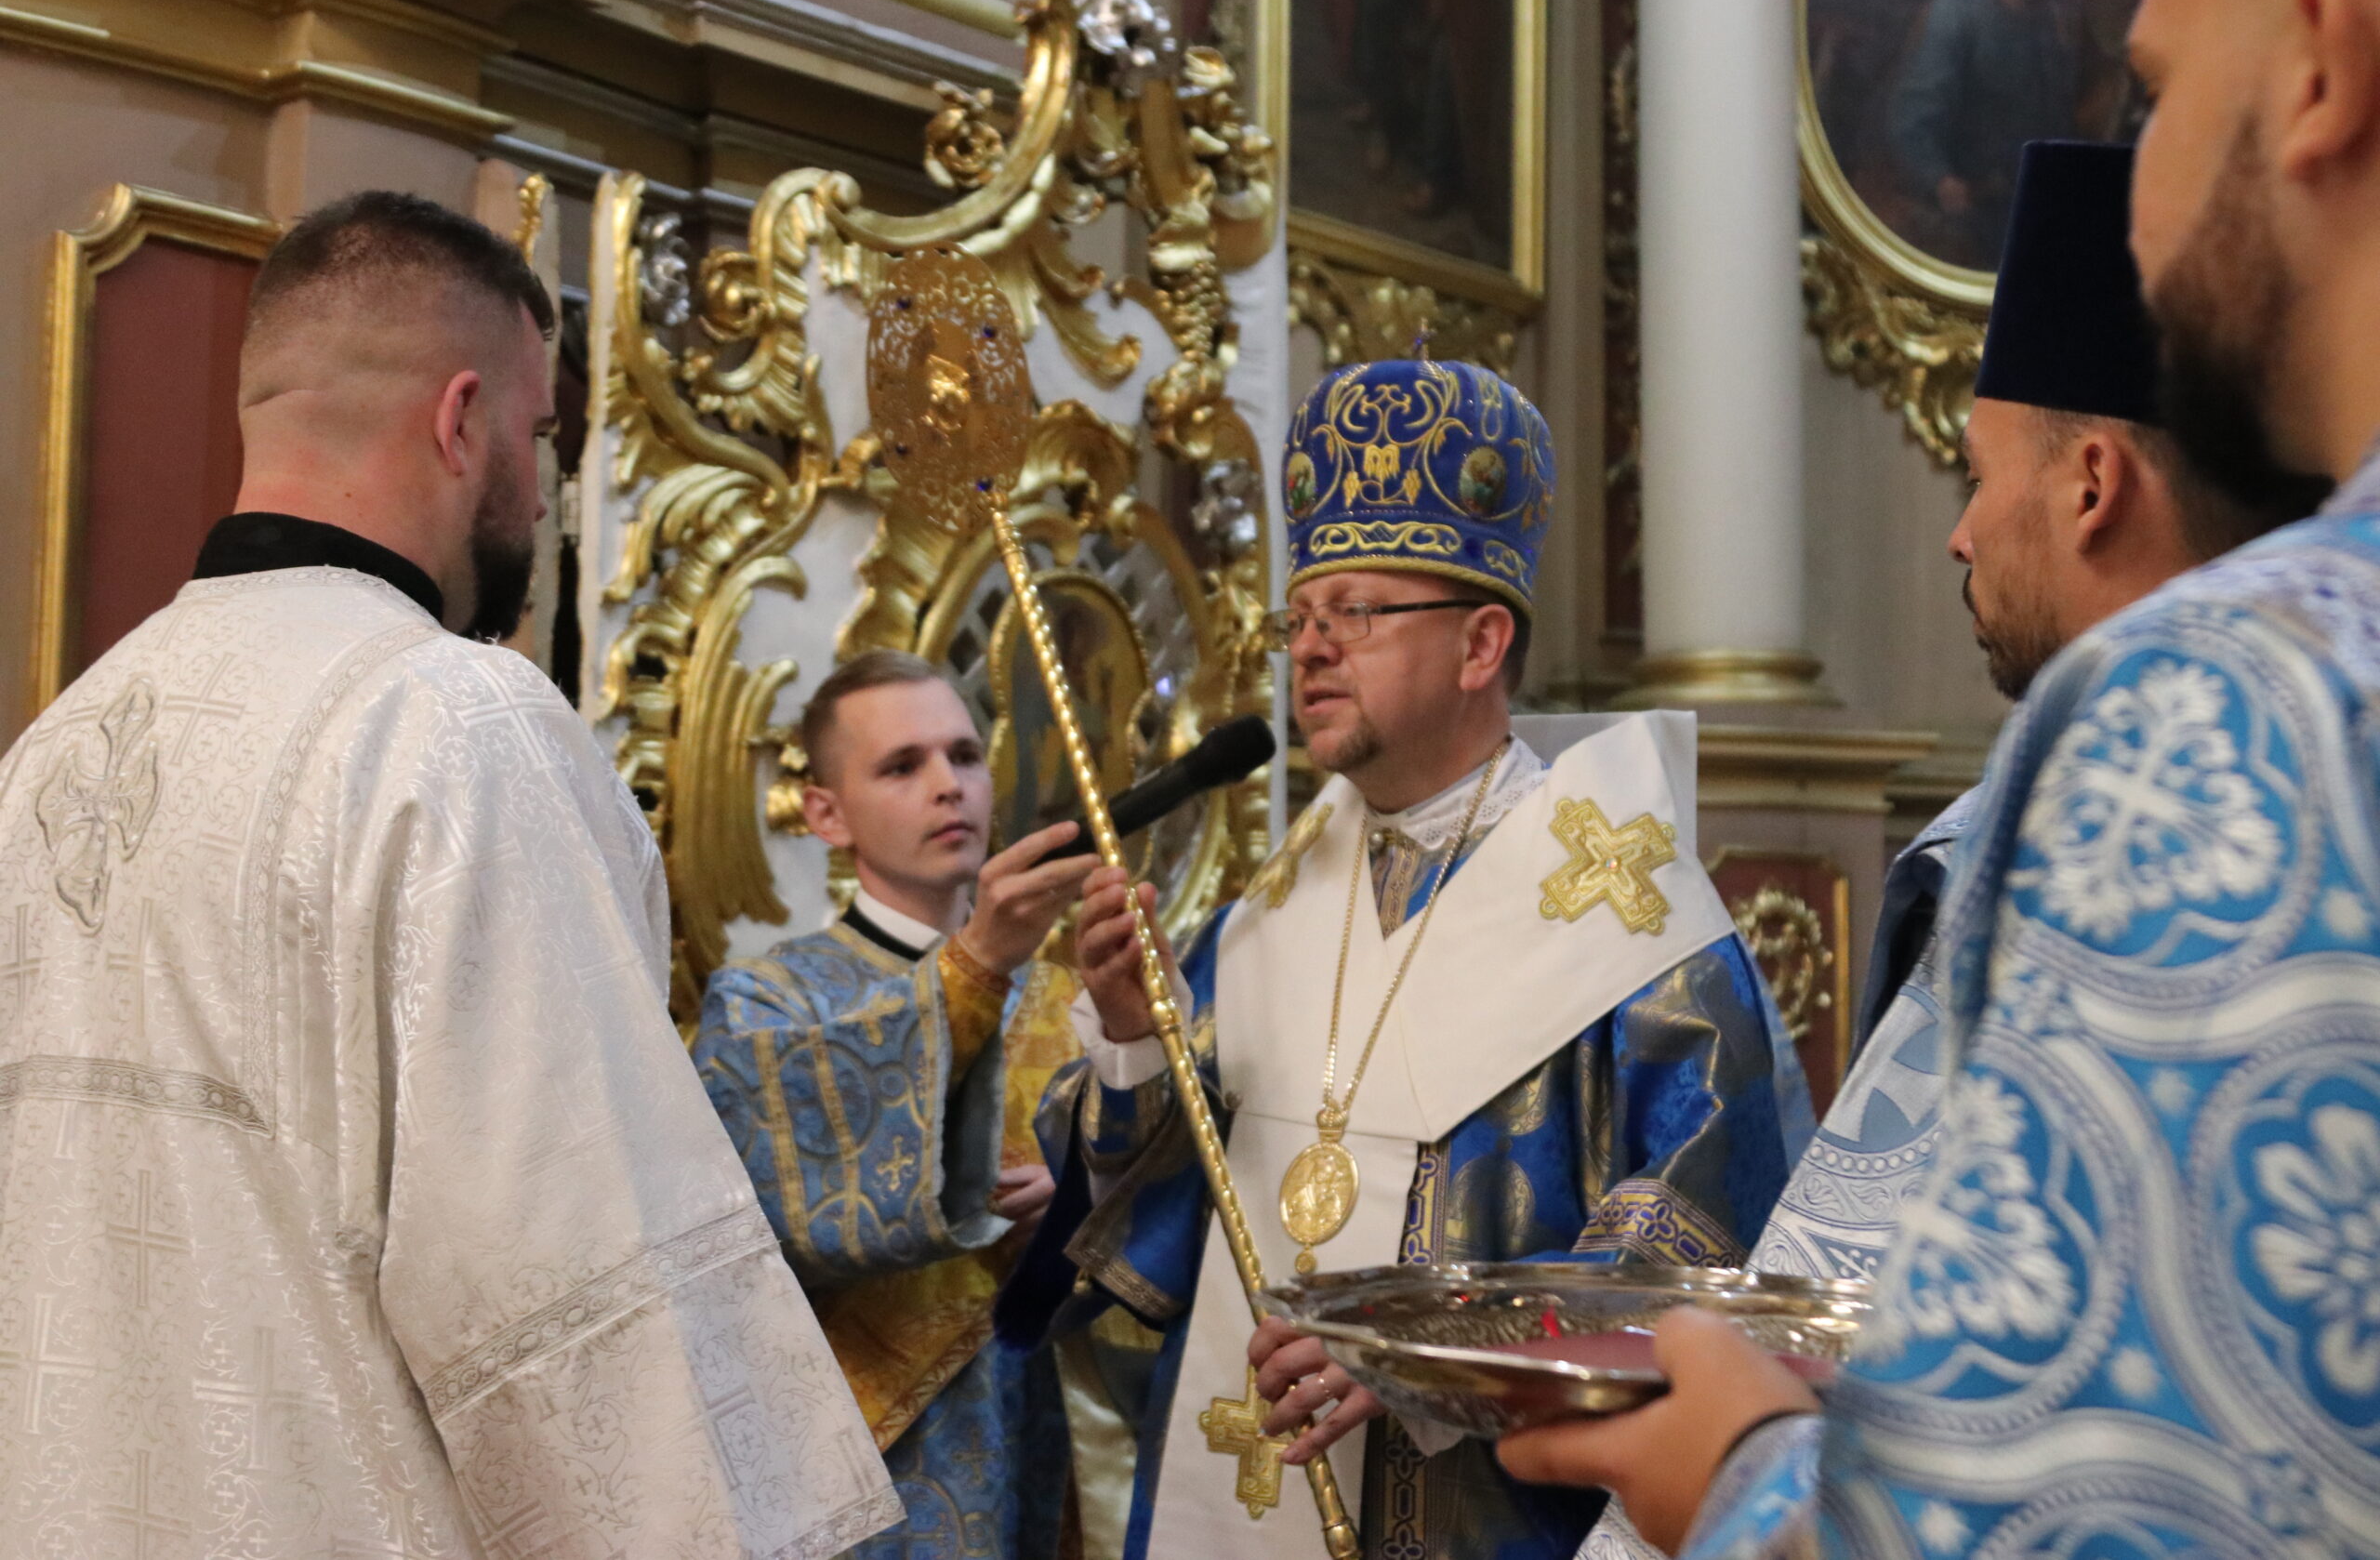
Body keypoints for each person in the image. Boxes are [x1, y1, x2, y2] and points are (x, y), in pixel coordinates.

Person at [1501, 0, 2380, 1551]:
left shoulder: (2243, 706)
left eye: (2159, 97)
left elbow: (2081, 1514)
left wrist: (1753, 1475)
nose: (2150, 199)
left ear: (2320, 53)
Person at [0, 192, 897, 1554]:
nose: (537, 491)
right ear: (461, 419)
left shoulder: (56, 748)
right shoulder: (452, 722)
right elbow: (572, 1290)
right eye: (539, 438)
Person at [1002, 357, 1815, 1560]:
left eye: (1360, 613)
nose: (1311, 649)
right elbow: (1158, 1219)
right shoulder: (1265, 913)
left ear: (1482, 641)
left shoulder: (1641, 935)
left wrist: (1422, 1361)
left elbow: (1697, 1258)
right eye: (1302, 615)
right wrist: (1130, 1036)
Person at [692, 651, 1104, 1560]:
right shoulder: (769, 1005)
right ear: (826, 814)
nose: (947, 786)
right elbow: (776, 1222)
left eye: (964, 755)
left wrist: (1075, 1203)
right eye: (902, 765)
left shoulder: (1070, 999)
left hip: (1057, 1423)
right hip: (876, 1463)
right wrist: (975, 968)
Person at [1890, 0, 2082, 266]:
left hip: (2036, 204)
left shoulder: (2053, 15)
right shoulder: (1958, 9)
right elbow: (1914, 121)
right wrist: (1941, 180)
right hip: (1973, 215)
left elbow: (2060, 117)